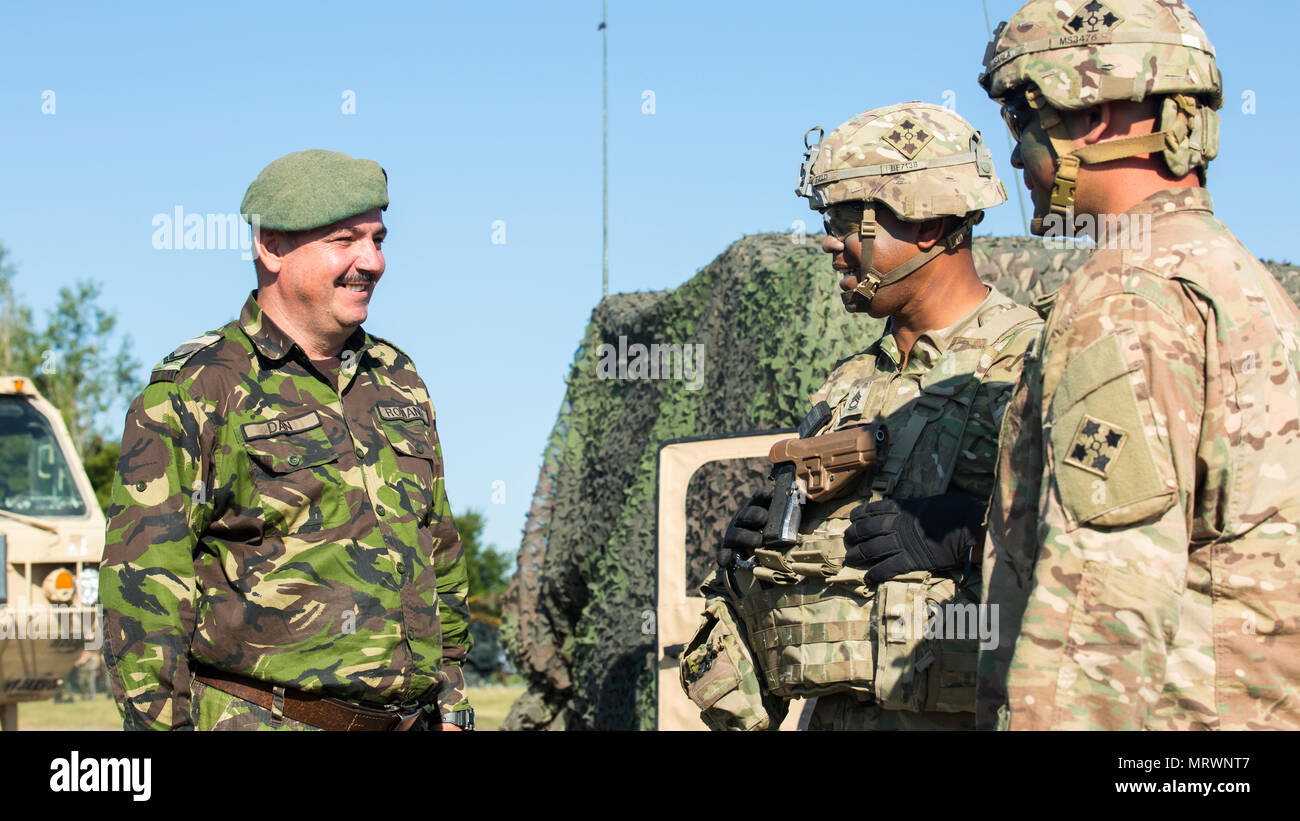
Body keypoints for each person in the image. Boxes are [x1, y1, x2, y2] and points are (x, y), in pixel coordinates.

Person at [977, 0, 1300, 730]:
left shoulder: (1127, 292)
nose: (1018, 155)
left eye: (1025, 117)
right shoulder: (1242, 281)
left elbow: (1102, 603)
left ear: (1094, 112)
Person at [678, 102, 1042, 730]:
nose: (830, 241)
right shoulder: (849, 383)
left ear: (926, 221)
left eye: (850, 221)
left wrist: (973, 536)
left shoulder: (1030, 362)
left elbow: (1109, 559)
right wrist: (756, 561)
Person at [99, 149, 474, 731]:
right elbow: (143, 599)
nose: (371, 261)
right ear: (271, 246)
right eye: (345, 240)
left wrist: (452, 703)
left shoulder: (398, 378)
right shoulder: (197, 390)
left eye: (378, 239)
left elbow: (438, 548)